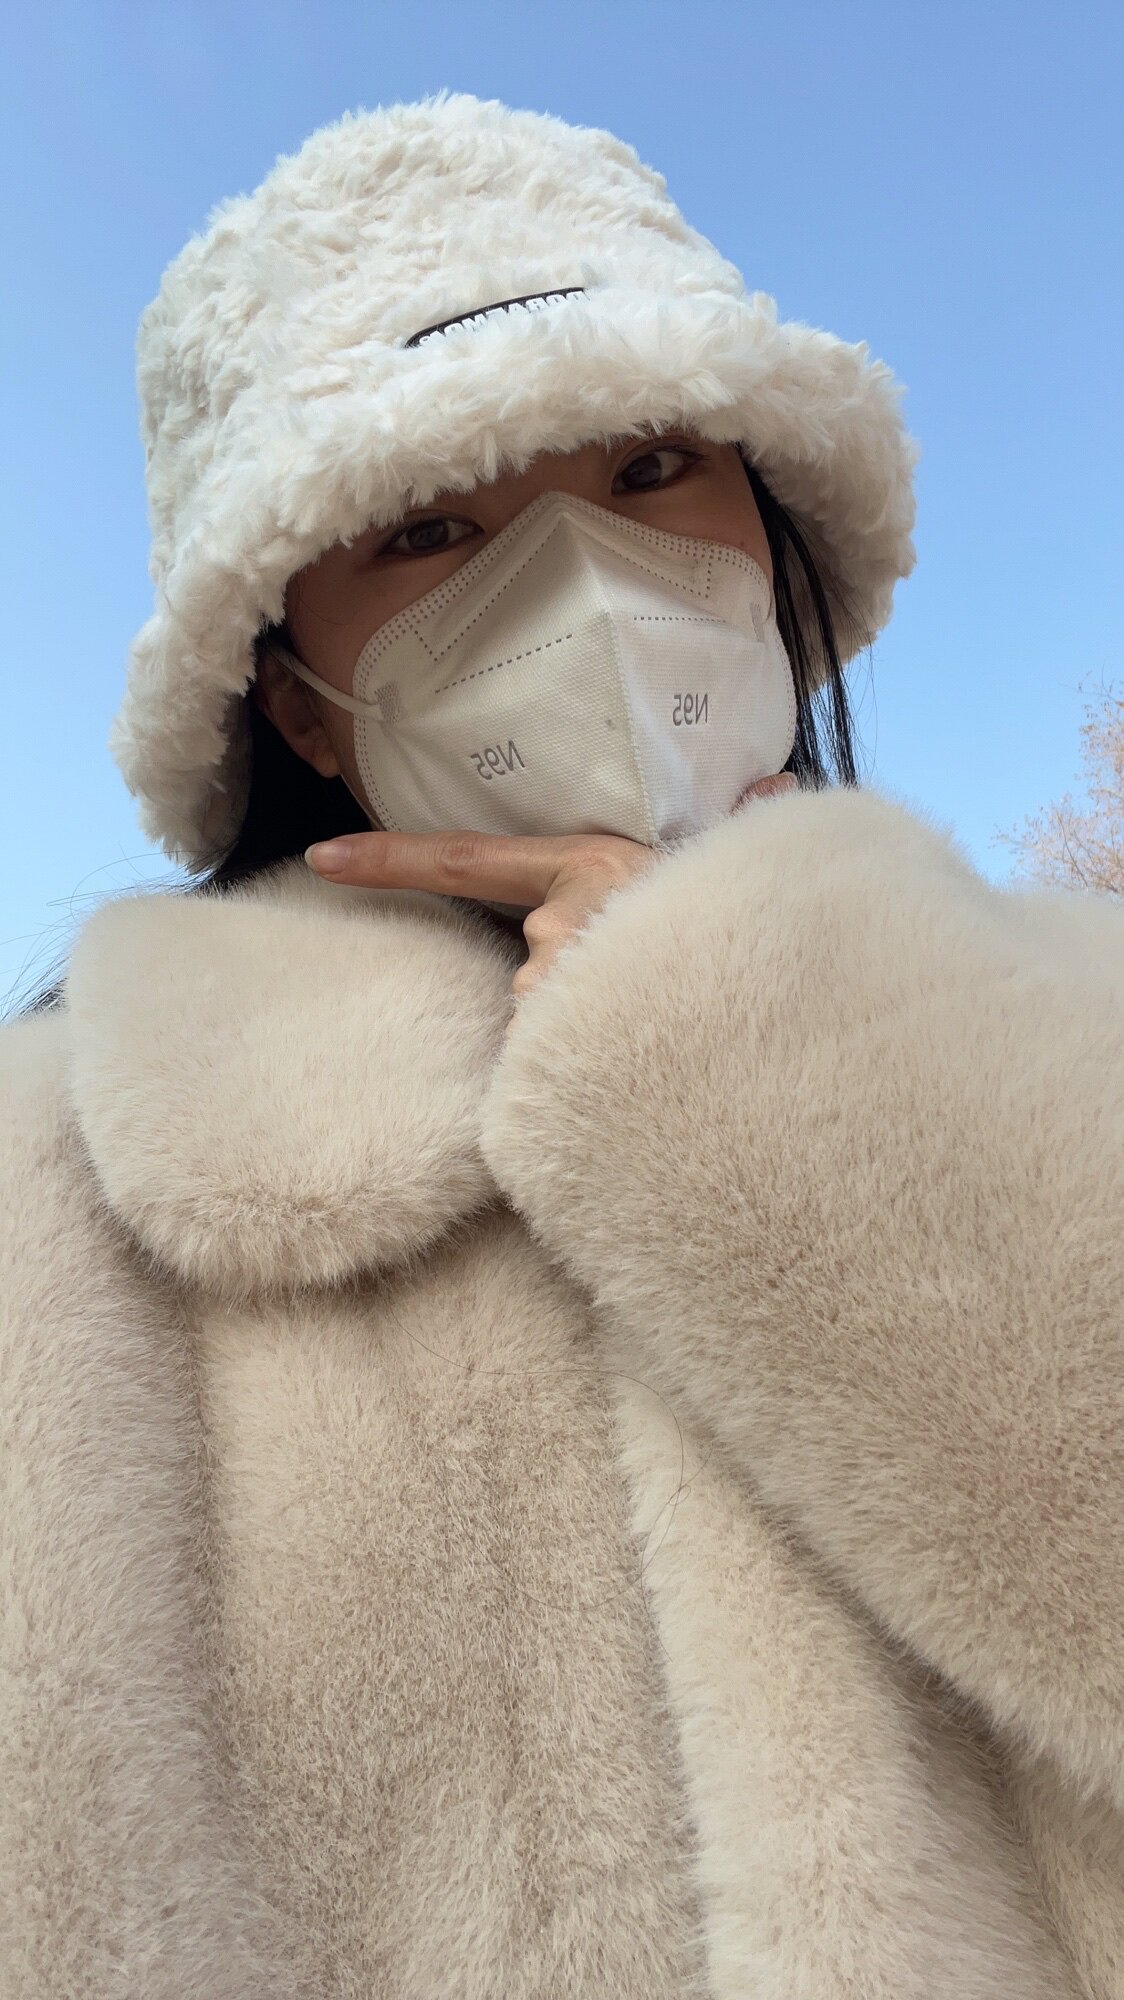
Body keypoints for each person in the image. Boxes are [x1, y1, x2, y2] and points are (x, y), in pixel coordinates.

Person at [1, 94, 1121, 2000]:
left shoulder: (1077, 1018)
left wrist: (776, 1052)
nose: (586, 582)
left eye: (654, 466)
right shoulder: (61, 1196)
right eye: (429, 527)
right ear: (298, 701)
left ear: (772, 539)